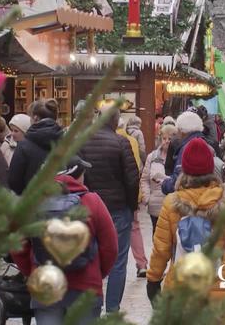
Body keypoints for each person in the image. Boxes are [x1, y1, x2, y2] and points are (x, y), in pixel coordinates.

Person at [146, 138, 225, 321]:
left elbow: (161, 248)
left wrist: (153, 280)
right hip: (221, 286)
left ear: (184, 168)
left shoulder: (172, 204)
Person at [11, 156, 118, 324]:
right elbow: (110, 246)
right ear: (75, 175)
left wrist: (31, 270)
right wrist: (96, 272)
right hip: (86, 286)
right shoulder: (92, 201)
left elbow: (17, 244)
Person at [79, 106, 140, 313]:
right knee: (118, 260)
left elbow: (79, 175)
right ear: (115, 122)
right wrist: (132, 207)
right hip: (117, 208)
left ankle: (90, 306)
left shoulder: (83, 142)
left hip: (90, 207)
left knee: (89, 257)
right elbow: (132, 179)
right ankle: (113, 307)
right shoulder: (121, 142)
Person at [9, 99, 63, 195]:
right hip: (62, 202)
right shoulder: (66, 141)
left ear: (35, 118)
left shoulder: (24, 145)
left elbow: (14, 181)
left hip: (31, 202)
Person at [117, 116, 149, 279]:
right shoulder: (132, 141)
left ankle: (109, 266)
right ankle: (142, 263)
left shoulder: (99, 139)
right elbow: (135, 168)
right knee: (134, 228)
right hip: (129, 193)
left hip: (106, 196)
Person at [162, 111, 215, 195]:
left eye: (178, 130)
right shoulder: (205, 144)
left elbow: (178, 180)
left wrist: (164, 183)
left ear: (183, 131)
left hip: (187, 198)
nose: (177, 134)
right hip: (206, 196)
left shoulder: (187, 148)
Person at [141, 124, 177, 235]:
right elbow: (144, 179)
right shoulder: (152, 157)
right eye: (164, 138)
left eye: (170, 139)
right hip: (155, 205)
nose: (166, 141)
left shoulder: (177, 158)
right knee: (157, 238)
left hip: (173, 206)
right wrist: (147, 198)